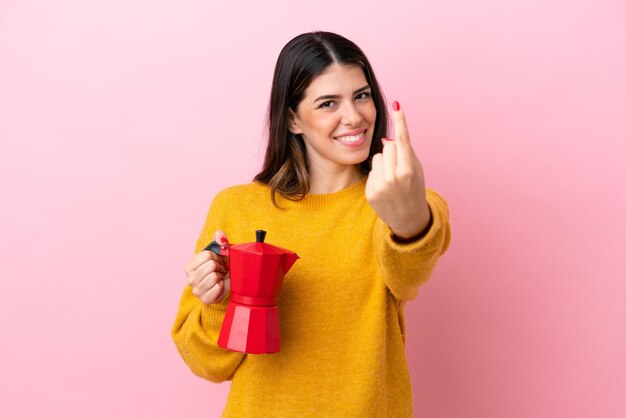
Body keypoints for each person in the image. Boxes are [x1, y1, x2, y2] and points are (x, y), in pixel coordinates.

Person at [172, 31, 451, 417]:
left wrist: (411, 222)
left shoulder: (396, 203)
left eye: (362, 95)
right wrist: (221, 301)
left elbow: (409, 272)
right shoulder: (237, 208)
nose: (354, 116)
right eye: (327, 103)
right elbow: (206, 365)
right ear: (292, 119)